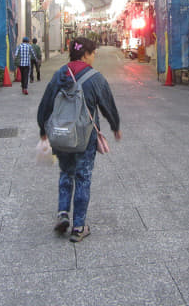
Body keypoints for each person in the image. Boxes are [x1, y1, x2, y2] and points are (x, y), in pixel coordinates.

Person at [37, 37, 122, 242]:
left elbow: (46, 102)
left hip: (62, 134)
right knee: (83, 177)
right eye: (93, 53)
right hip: (86, 137)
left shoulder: (60, 73)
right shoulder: (95, 77)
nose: (94, 58)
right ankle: (79, 227)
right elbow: (107, 105)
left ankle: (63, 214)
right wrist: (115, 126)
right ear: (85, 54)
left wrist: (43, 128)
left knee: (66, 173)